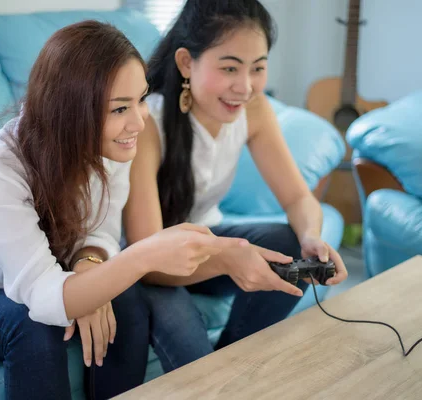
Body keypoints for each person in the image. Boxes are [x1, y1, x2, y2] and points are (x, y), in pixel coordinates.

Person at [0, 21, 245, 400]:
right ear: (71, 111)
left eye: (141, 99)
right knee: (33, 324)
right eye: (120, 108)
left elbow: (100, 233)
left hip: (44, 276)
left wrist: (89, 265)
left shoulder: (113, 146)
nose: (139, 121)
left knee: (123, 296)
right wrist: (143, 256)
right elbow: (45, 297)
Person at [123, 0, 349, 373]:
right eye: (229, 68)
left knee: (289, 244)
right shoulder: (148, 121)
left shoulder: (255, 110)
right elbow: (148, 258)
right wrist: (228, 257)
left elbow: (296, 197)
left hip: (204, 246)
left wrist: (312, 237)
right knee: (190, 347)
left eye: (257, 68)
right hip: (145, 263)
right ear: (185, 63)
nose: (244, 87)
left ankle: (236, 364)